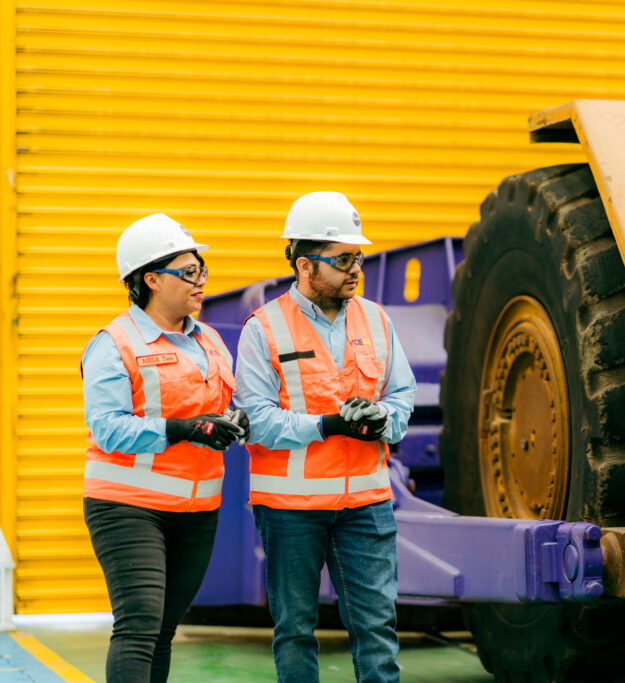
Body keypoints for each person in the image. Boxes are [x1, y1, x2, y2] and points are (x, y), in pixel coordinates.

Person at [235, 191, 415, 683]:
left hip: (367, 505)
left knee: (377, 629)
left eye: (359, 257)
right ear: (304, 265)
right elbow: (257, 419)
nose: (355, 269)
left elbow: (401, 394)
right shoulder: (263, 329)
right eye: (343, 260)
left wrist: (382, 419)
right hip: (290, 510)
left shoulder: (376, 319)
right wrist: (327, 424)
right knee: (295, 629)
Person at [81, 213, 248, 682]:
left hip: (197, 510)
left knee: (162, 632)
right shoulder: (114, 344)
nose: (201, 281)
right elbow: (108, 428)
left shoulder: (209, 340)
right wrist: (183, 429)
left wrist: (235, 421)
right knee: (139, 626)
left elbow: (221, 408)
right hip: (128, 507)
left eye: (202, 270)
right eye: (188, 272)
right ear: (151, 279)